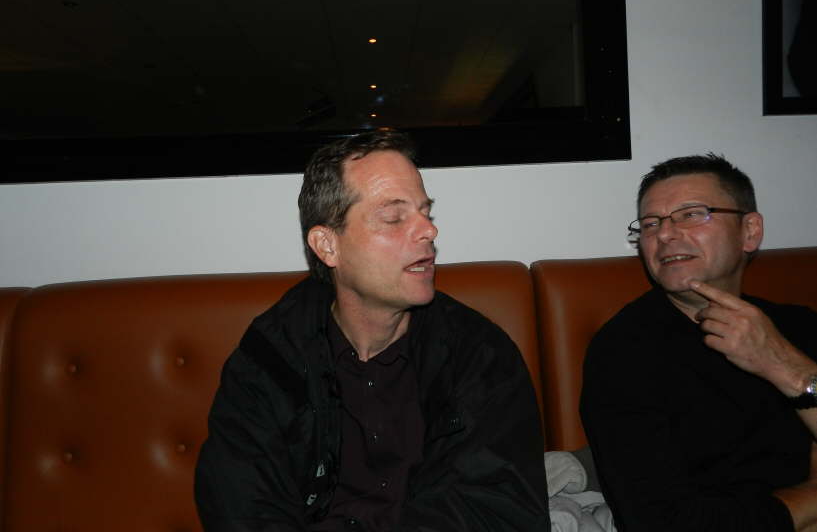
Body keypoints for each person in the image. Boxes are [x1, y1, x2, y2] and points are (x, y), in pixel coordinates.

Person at [194, 129, 549, 532]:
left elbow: (499, 510)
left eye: (426, 213)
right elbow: (241, 507)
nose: (428, 231)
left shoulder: (478, 356)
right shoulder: (270, 359)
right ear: (328, 245)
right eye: (394, 217)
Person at [580, 154, 817, 531]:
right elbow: (662, 523)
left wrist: (786, 367)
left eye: (691, 214)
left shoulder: (800, 326)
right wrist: (811, 499)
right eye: (650, 223)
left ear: (750, 231)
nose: (665, 234)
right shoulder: (624, 353)